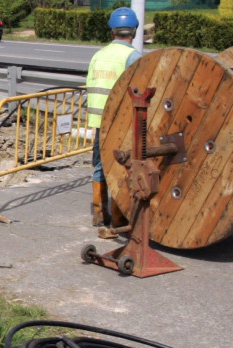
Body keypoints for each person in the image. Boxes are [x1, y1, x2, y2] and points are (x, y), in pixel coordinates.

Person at [85, 7, 143, 235]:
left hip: (98, 120)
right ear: (134, 32)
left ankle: (99, 213)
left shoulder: (98, 55)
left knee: (100, 163)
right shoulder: (132, 57)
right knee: (121, 166)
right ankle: (118, 219)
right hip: (120, 122)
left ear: (111, 32)